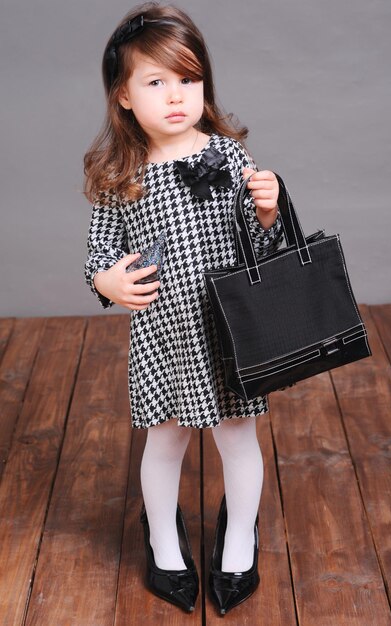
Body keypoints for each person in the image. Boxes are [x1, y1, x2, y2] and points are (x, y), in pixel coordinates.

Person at [83, 2, 284, 615]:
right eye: (156, 82)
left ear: (205, 85)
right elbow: (100, 253)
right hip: (164, 336)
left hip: (230, 333)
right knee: (165, 442)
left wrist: (270, 212)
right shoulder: (123, 174)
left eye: (189, 80)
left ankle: (239, 537)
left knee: (239, 439)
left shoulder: (229, 155)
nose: (176, 96)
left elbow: (262, 245)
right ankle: (164, 538)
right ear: (123, 96)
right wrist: (107, 281)